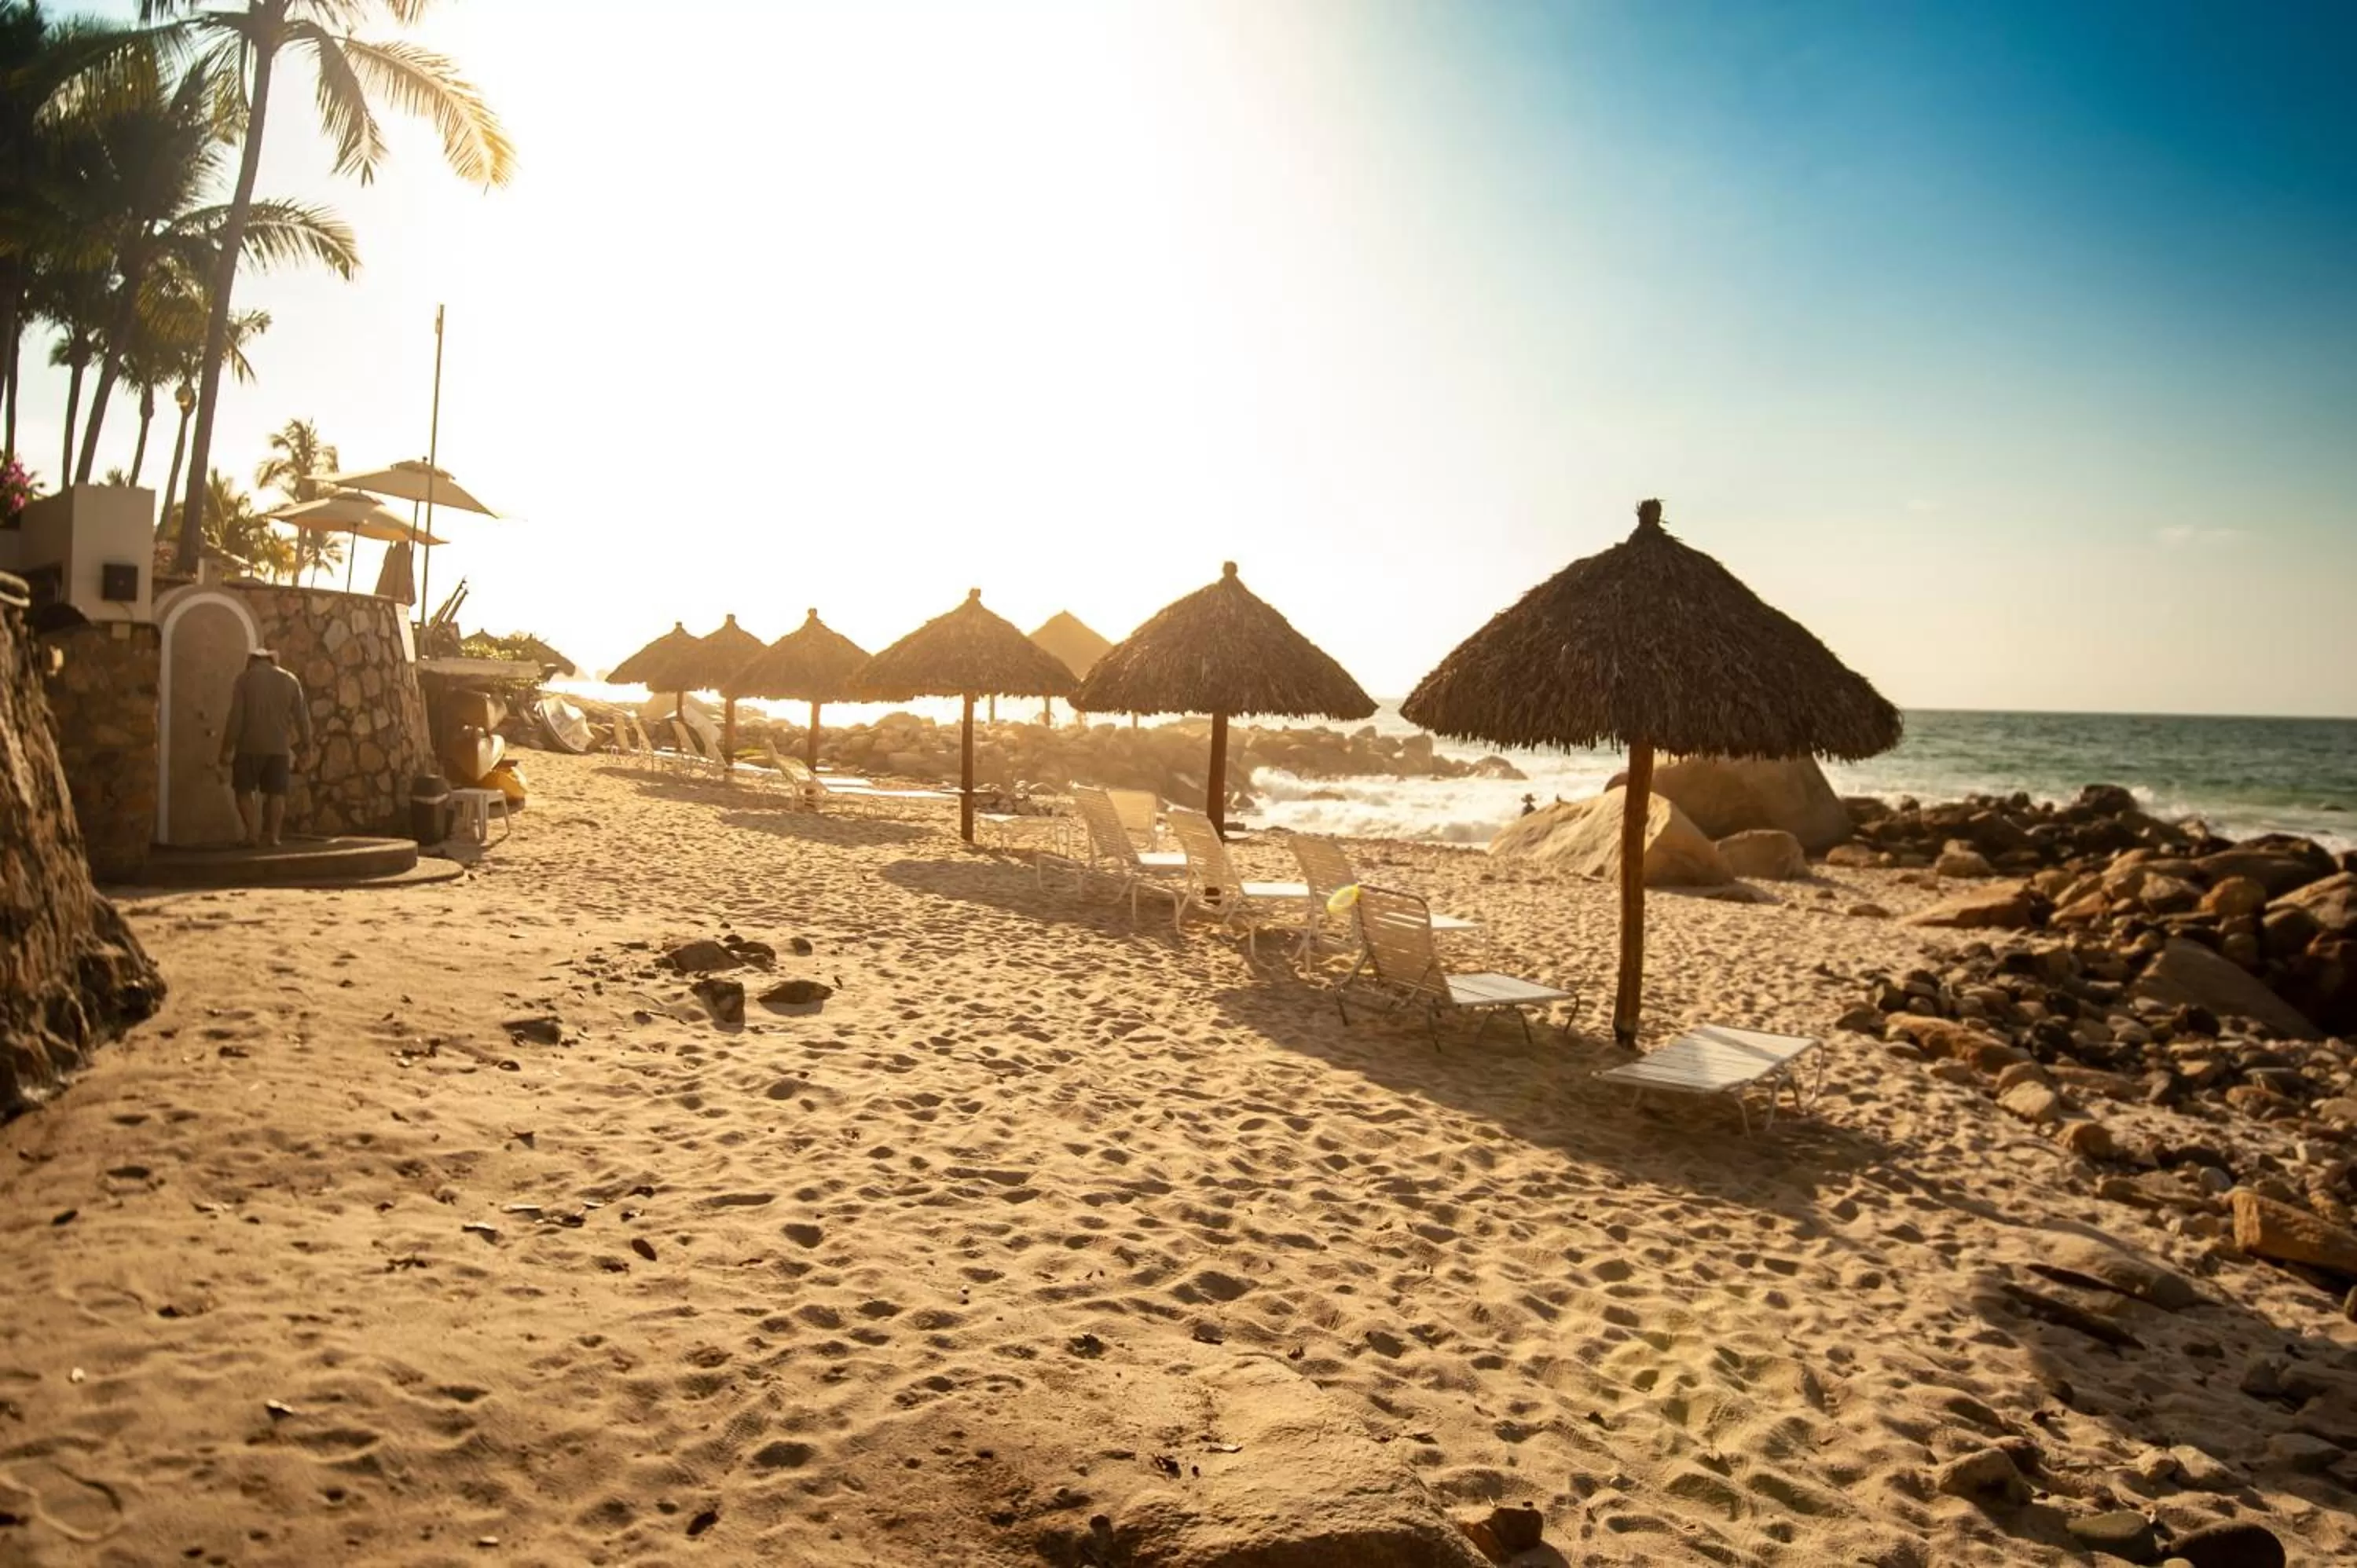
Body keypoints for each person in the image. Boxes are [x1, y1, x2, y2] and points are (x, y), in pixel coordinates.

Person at [218, 648, 312, 848]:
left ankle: (252, 834)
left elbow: (236, 717)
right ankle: (274, 836)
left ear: (252, 660)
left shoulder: (244, 680)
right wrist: (307, 745)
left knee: (243, 790)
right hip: (279, 747)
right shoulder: (290, 680)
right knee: (277, 793)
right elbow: (302, 717)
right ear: (272, 661)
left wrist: (227, 747)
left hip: (248, 746)